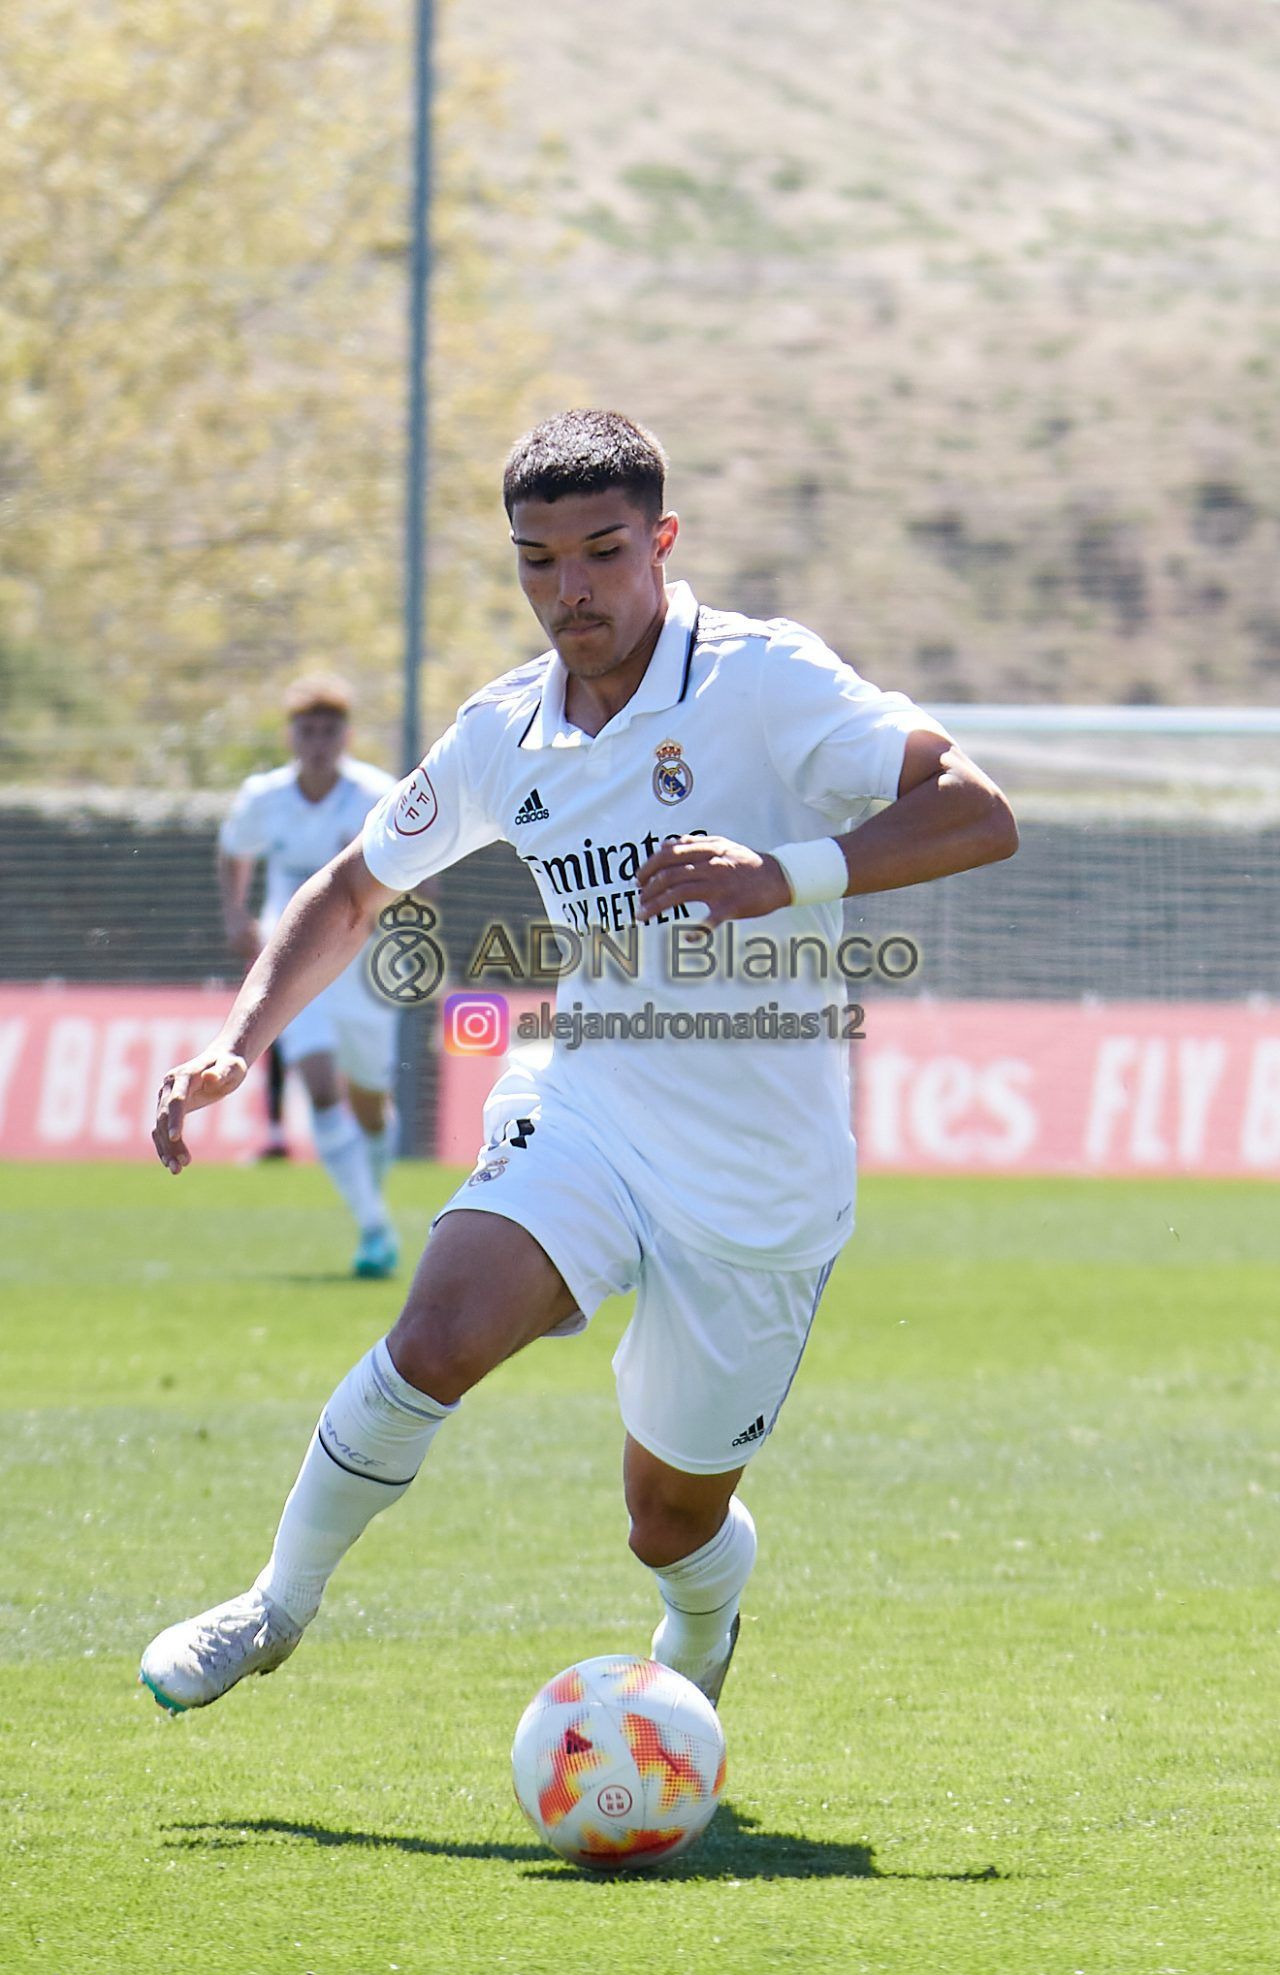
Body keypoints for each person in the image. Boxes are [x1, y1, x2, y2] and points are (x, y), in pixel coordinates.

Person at [140, 409, 1017, 1719]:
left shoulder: (762, 679)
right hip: (590, 1097)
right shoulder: (505, 732)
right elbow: (352, 887)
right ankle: (273, 1603)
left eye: (602, 553)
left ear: (661, 543)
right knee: (437, 1335)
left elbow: (978, 810)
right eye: (537, 561)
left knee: (668, 1519)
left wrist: (785, 874)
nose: (571, 591)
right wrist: (235, 1042)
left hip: (762, 1169)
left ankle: (700, 1620)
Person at [217, 672, 400, 1277]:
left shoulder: (376, 794)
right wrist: (236, 913)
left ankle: (371, 1201)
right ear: (291, 736)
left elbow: (420, 867)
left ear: (345, 736)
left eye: (328, 731)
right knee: (320, 1088)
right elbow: (234, 850)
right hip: (292, 960)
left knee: (370, 1105)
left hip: (363, 966)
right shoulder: (263, 797)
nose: (317, 742)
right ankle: (374, 1228)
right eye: (307, 731)